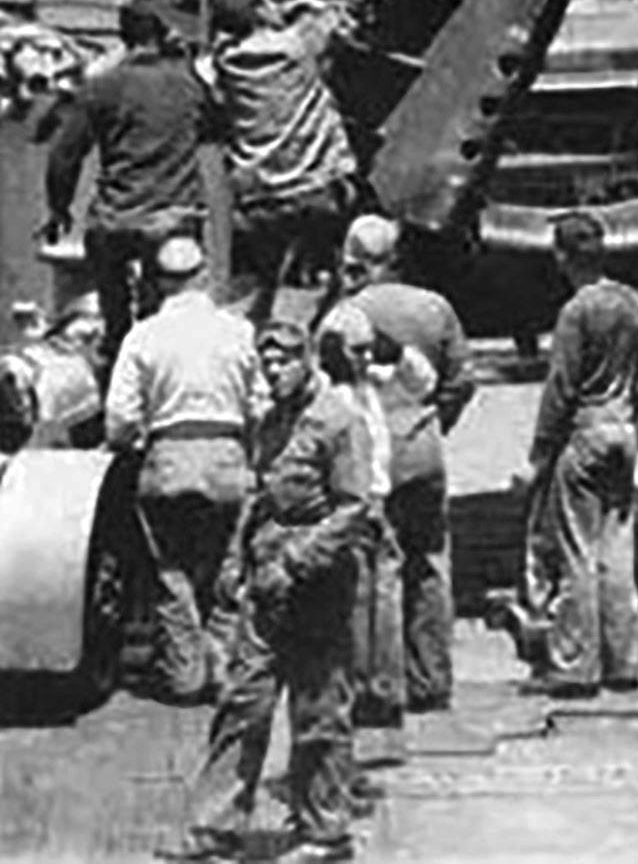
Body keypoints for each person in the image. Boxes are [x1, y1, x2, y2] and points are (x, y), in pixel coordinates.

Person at [160, 316, 374, 864]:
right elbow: (259, 498)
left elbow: (355, 509)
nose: (275, 370)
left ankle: (325, 833)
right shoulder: (268, 423)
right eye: (268, 361)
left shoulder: (338, 421)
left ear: (309, 362)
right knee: (242, 704)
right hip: (265, 583)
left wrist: (298, 561)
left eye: (286, 360)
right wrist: (236, 559)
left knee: (319, 710)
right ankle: (214, 833)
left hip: (318, 586)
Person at [210, 0, 407, 318]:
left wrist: (293, 10)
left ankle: (262, 325)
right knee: (352, 261)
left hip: (259, 200)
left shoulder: (225, 62)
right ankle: (336, 324)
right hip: (318, 190)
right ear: (262, 12)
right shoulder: (301, 45)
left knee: (266, 280)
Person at [104, 236, 263, 704]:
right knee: (226, 568)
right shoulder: (238, 331)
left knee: (169, 570)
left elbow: (120, 418)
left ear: (159, 282)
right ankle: (220, 667)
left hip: (168, 456)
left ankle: (184, 673)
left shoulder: (143, 335)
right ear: (204, 276)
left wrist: (129, 444)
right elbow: (260, 405)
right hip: (227, 455)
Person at [519, 211, 638, 696]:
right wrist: (632, 411)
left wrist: (542, 449)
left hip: (584, 431)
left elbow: (561, 386)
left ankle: (576, 662)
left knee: (576, 551)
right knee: (617, 547)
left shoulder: (577, 311)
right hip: (624, 429)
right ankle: (624, 659)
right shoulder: (634, 303)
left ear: (562, 256)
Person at [328, 215, 474, 710]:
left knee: (381, 569)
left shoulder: (344, 315)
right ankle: (432, 679)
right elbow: (461, 381)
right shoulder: (436, 308)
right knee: (431, 562)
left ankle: (384, 687)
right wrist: (435, 423)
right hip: (425, 446)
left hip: (372, 456)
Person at [43, 0, 214, 373]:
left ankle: (116, 345)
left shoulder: (102, 86)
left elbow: (63, 156)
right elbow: (218, 127)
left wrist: (59, 209)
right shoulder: (188, 85)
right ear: (163, 33)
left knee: (115, 310)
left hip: (115, 221)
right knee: (168, 313)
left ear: (122, 36)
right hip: (175, 219)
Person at [316, 304, 406, 761]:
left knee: (359, 603)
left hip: (358, 504)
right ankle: (379, 687)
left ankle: (360, 686)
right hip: (372, 501)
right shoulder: (359, 390)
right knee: (378, 600)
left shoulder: (343, 395)